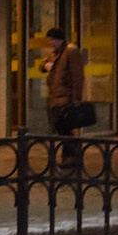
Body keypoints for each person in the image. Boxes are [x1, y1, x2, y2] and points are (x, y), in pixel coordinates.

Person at [42, 26, 92, 171]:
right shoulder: (55, 53)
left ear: (58, 39)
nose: (50, 43)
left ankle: (73, 158)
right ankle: (70, 159)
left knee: (64, 128)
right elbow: (43, 64)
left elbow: (78, 76)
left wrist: (76, 99)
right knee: (63, 128)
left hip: (66, 97)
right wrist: (46, 65)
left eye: (52, 40)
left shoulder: (71, 51)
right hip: (55, 96)